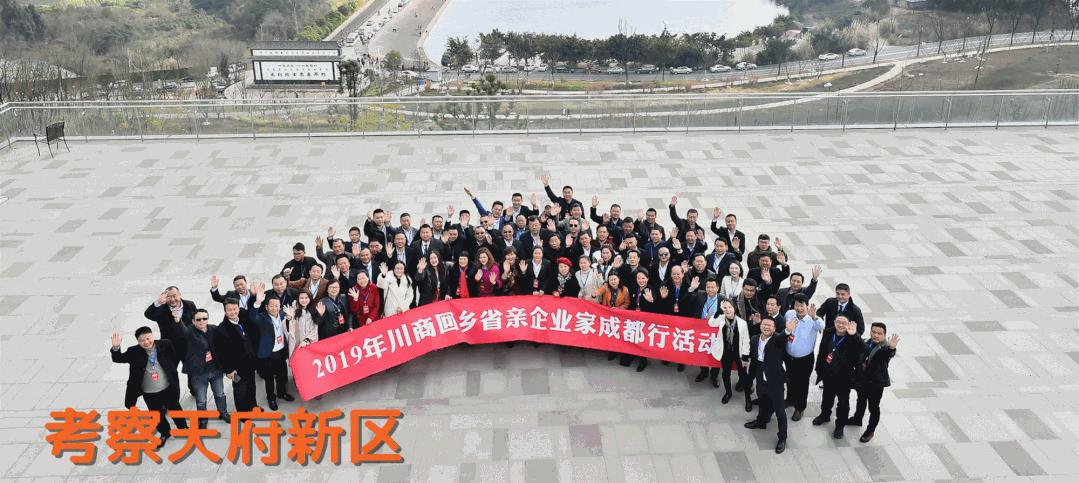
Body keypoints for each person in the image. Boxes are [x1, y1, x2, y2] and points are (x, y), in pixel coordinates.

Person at [110, 327, 188, 447]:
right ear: (138, 341)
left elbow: (179, 352)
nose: (146, 342)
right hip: (149, 392)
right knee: (156, 414)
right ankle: (165, 433)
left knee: (175, 408)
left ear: (152, 336)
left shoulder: (165, 344)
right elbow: (118, 358)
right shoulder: (133, 351)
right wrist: (116, 348)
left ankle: (183, 427)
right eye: (142, 340)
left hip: (167, 387)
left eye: (148, 338)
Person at [153, 307, 230, 427]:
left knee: (220, 394)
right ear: (193, 321)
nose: (202, 321)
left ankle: (223, 413)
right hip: (199, 373)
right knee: (201, 399)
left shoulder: (213, 329)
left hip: (215, 370)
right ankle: (203, 420)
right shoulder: (189, 332)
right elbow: (182, 331)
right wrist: (178, 321)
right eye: (198, 319)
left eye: (204, 318)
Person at [812, 315, 867, 439]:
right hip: (828, 373)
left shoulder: (852, 336)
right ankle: (824, 415)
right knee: (827, 397)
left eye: (844, 323)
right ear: (834, 322)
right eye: (838, 322)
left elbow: (863, 349)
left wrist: (854, 335)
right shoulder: (828, 332)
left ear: (848, 324)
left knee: (843, 403)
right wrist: (819, 369)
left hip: (844, 376)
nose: (841, 325)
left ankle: (840, 426)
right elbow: (822, 350)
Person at [744, 317, 791, 454]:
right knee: (763, 402)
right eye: (764, 324)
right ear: (760, 326)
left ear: (774, 329)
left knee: (780, 411)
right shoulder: (754, 339)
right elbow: (753, 356)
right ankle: (761, 422)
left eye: (770, 325)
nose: (766, 327)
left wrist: (788, 331)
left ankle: (782, 438)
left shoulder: (777, 340)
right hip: (761, 379)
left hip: (775, 381)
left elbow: (783, 337)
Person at [849, 322, 899, 443]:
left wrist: (892, 348)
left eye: (879, 333)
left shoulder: (885, 347)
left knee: (873, 407)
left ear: (884, 335)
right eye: (874, 332)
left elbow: (888, 353)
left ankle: (870, 430)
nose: (876, 335)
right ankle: (857, 419)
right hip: (862, 379)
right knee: (861, 400)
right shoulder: (867, 341)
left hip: (876, 383)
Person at [211, 298, 258, 412]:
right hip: (236, 368)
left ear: (238, 308)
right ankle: (243, 413)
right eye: (229, 310)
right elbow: (221, 353)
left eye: (235, 309)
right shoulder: (221, 329)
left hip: (250, 362)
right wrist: (229, 370)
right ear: (225, 311)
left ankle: (253, 406)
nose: (233, 312)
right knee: (240, 390)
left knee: (251, 386)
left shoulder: (243, 319)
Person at [251, 288, 294, 411]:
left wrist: (289, 318)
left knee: (282, 375)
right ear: (266, 307)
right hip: (268, 354)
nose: (275, 308)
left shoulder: (282, 315)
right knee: (269, 378)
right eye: (272, 306)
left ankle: (282, 393)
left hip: (281, 351)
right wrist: (257, 302)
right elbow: (253, 317)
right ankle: (271, 398)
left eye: (277, 305)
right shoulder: (262, 317)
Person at [784, 294, 825, 422]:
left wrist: (814, 317)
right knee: (789, 379)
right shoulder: (789, 314)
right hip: (789, 356)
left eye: (802, 305)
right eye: (797, 305)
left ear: (807, 306)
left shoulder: (813, 320)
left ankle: (800, 407)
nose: (799, 308)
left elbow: (822, 326)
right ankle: (790, 399)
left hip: (804, 359)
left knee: (802, 383)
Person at [710, 299, 752, 412]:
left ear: (735, 308)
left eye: (730, 307)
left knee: (743, 375)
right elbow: (711, 323)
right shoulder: (721, 319)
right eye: (725, 307)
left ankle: (748, 398)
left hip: (739, 353)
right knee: (725, 374)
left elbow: (746, 340)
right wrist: (719, 311)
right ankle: (728, 393)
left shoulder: (742, 323)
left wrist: (745, 357)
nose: (728, 310)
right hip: (726, 352)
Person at [688, 277, 723, 385]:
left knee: (715, 354)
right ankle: (704, 372)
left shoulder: (723, 299)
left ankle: (714, 376)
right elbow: (687, 301)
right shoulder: (700, 295)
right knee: (702, 351)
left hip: (716, 332)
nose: (710, 289)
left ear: (717, 288)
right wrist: (691, 289)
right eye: (708, 287)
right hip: (701, 330)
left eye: (713, 287)